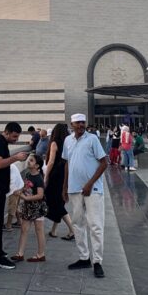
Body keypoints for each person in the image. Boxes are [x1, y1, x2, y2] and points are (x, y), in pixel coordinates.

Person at [63, 113, 108, 278]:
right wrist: (64, 186)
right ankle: (84, 257)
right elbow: (67, 163)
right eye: (77, 123)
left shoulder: (92, 139)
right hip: (74, 189)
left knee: (95, 225)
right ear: (72, 124)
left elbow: (104, 163)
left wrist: (90, 183)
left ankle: (97, 262)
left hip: (92, 189)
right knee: (77, 224)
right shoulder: (67, 141)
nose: (81, 125)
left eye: (83, 122)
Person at [0, 122, 28, 269]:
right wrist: (16, 157)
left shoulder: (1, 142)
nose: (16, 140)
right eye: (14, 136)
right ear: (7, 132)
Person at [11, 153, 48, 262]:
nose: (28, 161)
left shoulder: (39, 179)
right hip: (28, 207)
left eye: (31, 160)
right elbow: (25, 186)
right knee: (24, 229)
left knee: (39, 230)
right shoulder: (28, 174)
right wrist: (20, 190)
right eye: (29, 160)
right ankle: (20, 253)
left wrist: (25, 197)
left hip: (37, 207)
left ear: (37, 166)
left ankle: (41, 254)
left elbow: (40, 195)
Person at [44, 123, 76, 240]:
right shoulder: (69, 143)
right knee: (59, 201)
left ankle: (73, 230)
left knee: (55, 202)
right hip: (66, 174)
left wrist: (46, 177)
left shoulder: (54, 143)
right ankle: (54, 230)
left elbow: (51, 162)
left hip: (56, 175)